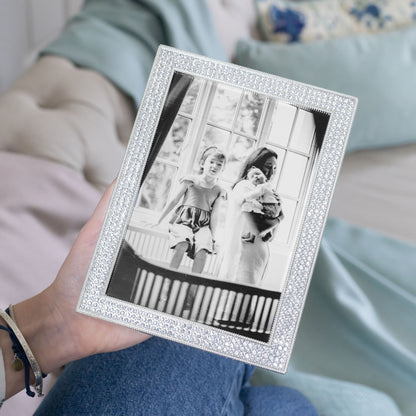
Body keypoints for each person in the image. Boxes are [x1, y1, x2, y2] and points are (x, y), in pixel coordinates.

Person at [0, 179, 318, 415]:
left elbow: (222, 219)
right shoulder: (214, 187)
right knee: (289, 405)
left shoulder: (225, 194)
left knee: (286, 403)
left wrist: (55, 325)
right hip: (193, 230)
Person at [219, 147, 284, 286]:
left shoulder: (266, 192)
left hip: (257, 256)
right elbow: (259, 227)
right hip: (244, 255)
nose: (271, 172)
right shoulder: (245, 187)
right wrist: (279, 217)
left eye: (274, 168)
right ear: (255, 166)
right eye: (268, 167)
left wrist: (277, 211)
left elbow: (271, 236)